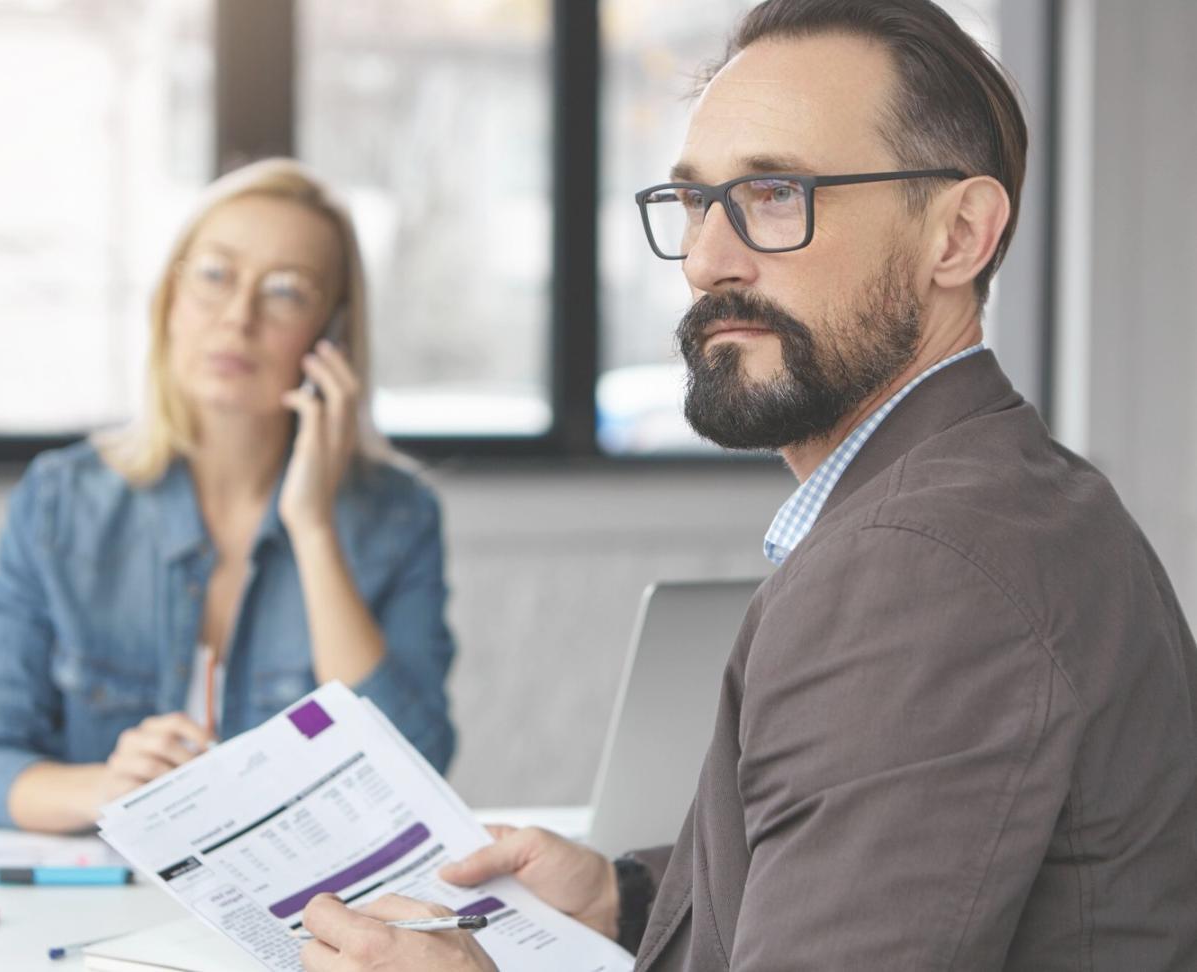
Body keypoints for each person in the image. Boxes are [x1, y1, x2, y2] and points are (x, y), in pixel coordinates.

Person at [296, 1, 1197, 969]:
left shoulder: (917, 574)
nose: (705, 261)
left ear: (958, 235)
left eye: (774, 194)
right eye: (693, 202)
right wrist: (623, 895)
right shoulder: (1018, 491)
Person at [0, 159, 457, 833]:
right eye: (214, 275)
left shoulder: (397, 517)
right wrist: (108, 787)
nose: (238, 318)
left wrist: (311, 527)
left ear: (330, 336)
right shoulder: (61, 504)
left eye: (285, 291)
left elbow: (412, 775)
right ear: (169, 304)